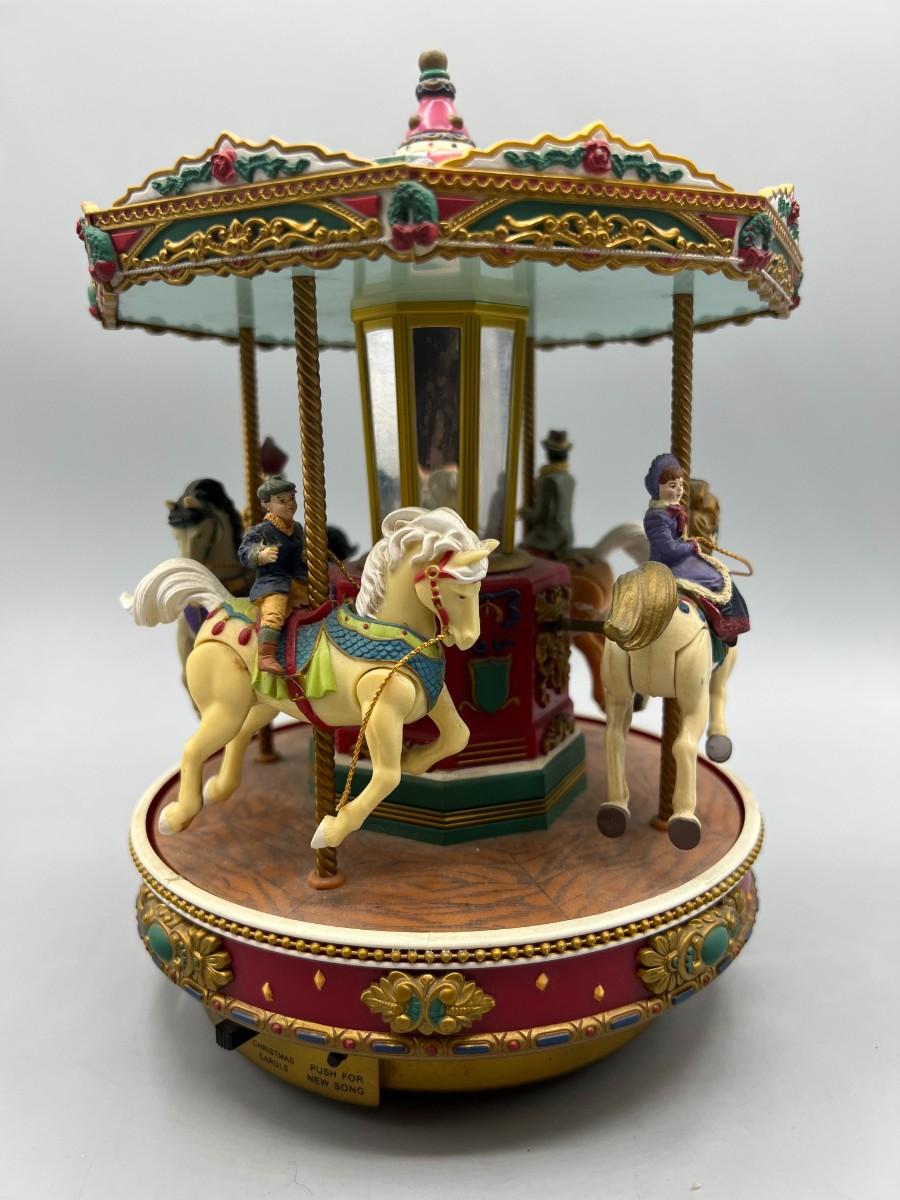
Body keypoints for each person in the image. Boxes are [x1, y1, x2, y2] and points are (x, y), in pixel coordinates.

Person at [643, 453, 749, 645]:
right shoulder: (656, 517)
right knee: (718, 577)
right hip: (669, 564)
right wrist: (689, 545)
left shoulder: (671, 511)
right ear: (658, 488)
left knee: (716, 569)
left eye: (680, 486)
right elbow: (669, 549)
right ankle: (726, 620)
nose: (678, 490)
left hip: (678, 558)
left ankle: (725, 618)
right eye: (672, 486)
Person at [238, 476, 309, 675]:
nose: (290, 504)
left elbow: (302, 551)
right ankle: (266, 655)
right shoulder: (262, 531)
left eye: (292, 499)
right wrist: (259, 555)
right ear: (266, 505)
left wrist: (307, 554)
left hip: (297, 579)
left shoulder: (297, 528)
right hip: (272, 583)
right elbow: (243, 552)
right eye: (282, 501)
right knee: (275, 610)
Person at [521, 429, 576, 556]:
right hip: (567, 535)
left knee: (519, 553)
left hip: (549, 537)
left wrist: (525, 513)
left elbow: (541, 516)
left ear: (549, 454)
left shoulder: (548, 480)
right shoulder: (569, 478)